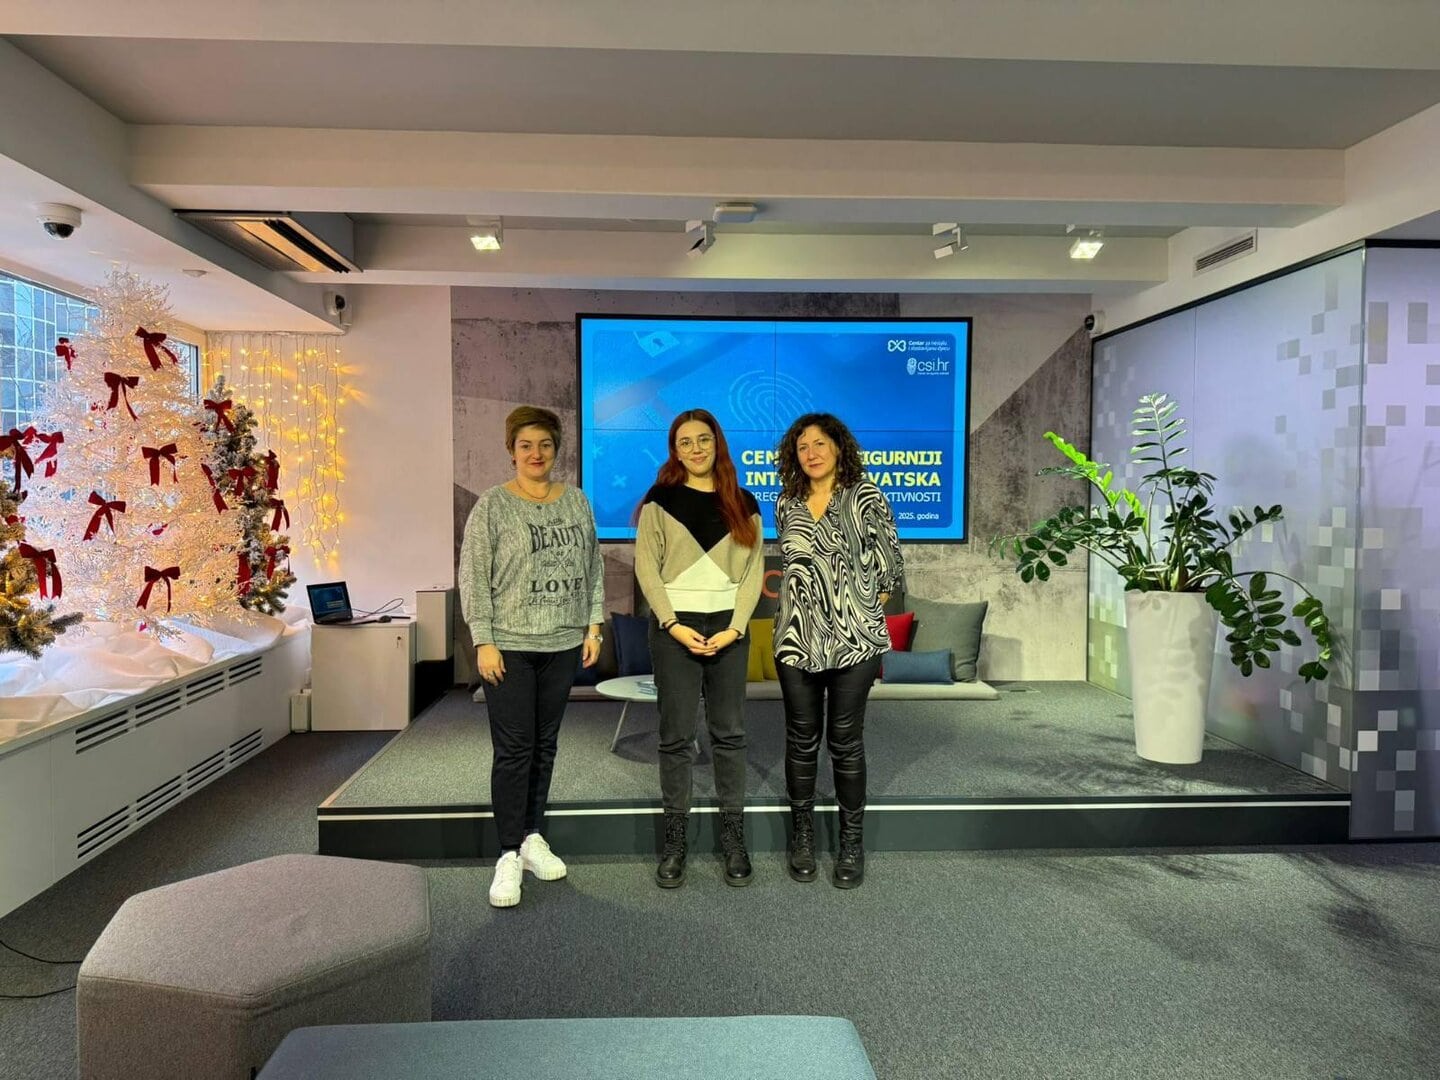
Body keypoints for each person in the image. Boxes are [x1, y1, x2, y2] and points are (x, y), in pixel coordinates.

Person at [459, 405, 604, 909]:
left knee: (546, 746)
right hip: (510, 648)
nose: (536, 454)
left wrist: (593, 624)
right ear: (511, 450)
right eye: (526, 445)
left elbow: (593, 567)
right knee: (514, 750)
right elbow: (474, 576)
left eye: (544, 444)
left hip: (563, 644)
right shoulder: (494, 506)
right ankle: (506, 852)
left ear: (556, 448)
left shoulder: (578, 502)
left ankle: (532, 837)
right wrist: (484, 639)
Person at [634, 409, 764, 888]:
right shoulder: (659, 501)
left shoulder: (743, 501)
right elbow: (647, 567)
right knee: (676, 735)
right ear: (675, 449)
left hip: (730, 630)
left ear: (717, 443)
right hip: (675, 632)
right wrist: (672, 624)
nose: (695, 449)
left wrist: (735, 628)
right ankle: (676, 841)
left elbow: (753, 573)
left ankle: (733, 839)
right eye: (685, 442)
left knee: (729, 734)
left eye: (703, 439)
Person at [773, 412, 903, 889]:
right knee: (801, 740)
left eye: (820, 444)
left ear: (839, 448)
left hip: (855, 643)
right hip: (797, 638)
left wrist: (854, 611)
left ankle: (851, 842)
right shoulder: (787, 502)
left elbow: (890, 572)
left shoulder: (865, 496)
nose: (812, 452)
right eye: (803, 446)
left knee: (846, 743)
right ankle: (803, 837)